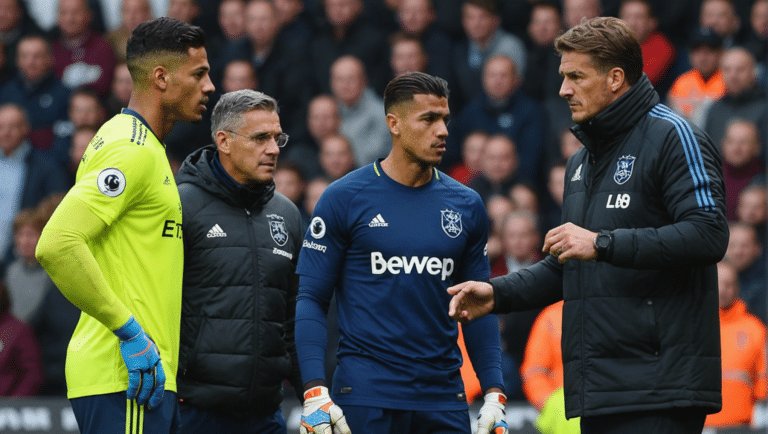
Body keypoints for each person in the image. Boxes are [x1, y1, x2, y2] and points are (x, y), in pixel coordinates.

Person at [447, 17, 728, 434]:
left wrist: (603, 242)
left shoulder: (673, 136)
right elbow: (568, 264)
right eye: (562, 77)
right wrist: (497, 292)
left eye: (576, 76)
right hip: (598, 388)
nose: (563, 89)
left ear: (616, 78)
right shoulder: (582, 160)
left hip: (659, 386)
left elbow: (708, 233)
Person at [295, 71, 508, 434]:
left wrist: (494, 392)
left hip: (443, 398)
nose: (441, 130)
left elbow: (477, 305)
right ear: (393, 124)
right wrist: (315, 389)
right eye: (428, 119)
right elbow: (311, 297)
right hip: (365, 396)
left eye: (444, 119)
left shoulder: (467, 205)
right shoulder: (344, 198)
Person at [34, 17, 215, 433]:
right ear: (161, 77)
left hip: (141, 378)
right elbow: (58, 242)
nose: (209, 86)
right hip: (125, 378)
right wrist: (129, 331)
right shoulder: (130, 149)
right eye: (200, 74)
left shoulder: (142, 145)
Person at [174, 89, 302, 432]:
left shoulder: (287, 214)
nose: (273, 149)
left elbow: (292, 318)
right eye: (260, 138)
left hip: (266, 414)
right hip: (194, 412)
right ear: (224, 141)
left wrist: (312, 396)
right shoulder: (179, 205)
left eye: (277, 138)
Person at [705, 261, 767, 428]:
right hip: (699, 422)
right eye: (716, 283)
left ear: (737, 287)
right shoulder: (693, 326)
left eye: (728, 284)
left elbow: (763, 376)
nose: (722, 289)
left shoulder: (755, 328)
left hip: (742, 424)